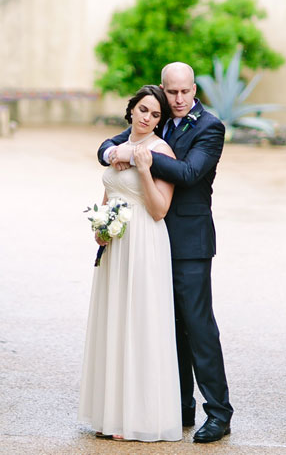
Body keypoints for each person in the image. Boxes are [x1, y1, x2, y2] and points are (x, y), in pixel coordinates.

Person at [98, 62, 233, 444]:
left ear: (195, 90)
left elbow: (190, 173)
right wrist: (115, 151)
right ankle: (180, 406)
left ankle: (219, 413)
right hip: (149, 242)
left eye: (184, 92)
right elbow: (105, 147)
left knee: (198, 325)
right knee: (166, 326)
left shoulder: (210, 127)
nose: (177, 99)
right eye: (170, 92)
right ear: (163, 87)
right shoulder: (155, 120)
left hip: (189, 243)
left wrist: (141, 154)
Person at [78, 85, 182, 442]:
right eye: (142, 109)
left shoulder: (160, 151)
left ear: (159, 121)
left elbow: (159, 209)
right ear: (131, 109)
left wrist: (143, 168)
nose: (147, 117)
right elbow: (109, 191)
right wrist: (101, 226)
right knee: (114, 320)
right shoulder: (115, 147)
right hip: (116, 243)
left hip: (144, 244)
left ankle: (138, 417)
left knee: (139, 322)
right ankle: (111, 413)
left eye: (155, 114)